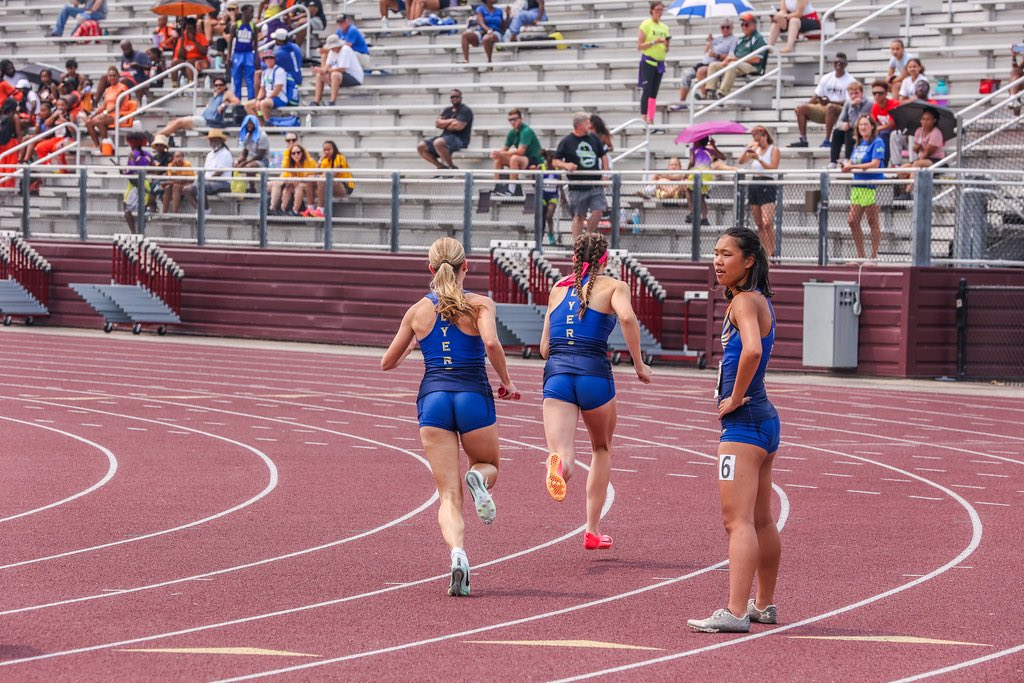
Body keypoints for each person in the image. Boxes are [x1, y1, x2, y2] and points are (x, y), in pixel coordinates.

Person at [381, 237, 517, 597]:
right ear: (465, 266)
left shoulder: (417, 312)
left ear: (430, 269)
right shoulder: (479, 304)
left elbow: (386, 362)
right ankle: (478, 478)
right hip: (473, 394)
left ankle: (458, 556)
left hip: (434, 399)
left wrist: (414, 344)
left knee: (447, 496)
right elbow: (490, 344)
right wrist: (506, 381)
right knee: (488, 465)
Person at [687, 226, 780, 635]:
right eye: (715, 253)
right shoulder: (759, 301)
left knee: (736, 522)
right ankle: (763, 605)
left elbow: (754, 351)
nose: (718, 261)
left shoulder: (743, 301)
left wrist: (736, 396)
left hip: (744, 425)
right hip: (765, 422)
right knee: (762, 520)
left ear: (749, 262)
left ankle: (735, 612)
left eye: (727, 254)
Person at [540, 232, 652, 550]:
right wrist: (639, 364)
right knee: (601, 449)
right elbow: (628, 318)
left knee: (563, 453)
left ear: (574, 259)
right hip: (594, 374)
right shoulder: (614, 287)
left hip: (558, 374)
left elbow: (545, 348)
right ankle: (591, 530)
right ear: (605, 260)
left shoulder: (558, 288)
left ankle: (559, 467)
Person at [553, 112, 609, 240]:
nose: (590, 125)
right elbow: (555, 161)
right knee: (579, 216)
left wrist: (605, 174)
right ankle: (577, 245)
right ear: (580, 124)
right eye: (587, 122)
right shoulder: (567, 141)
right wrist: (566, 165)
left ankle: (587, 236)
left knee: (598, 211)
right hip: (577, 186)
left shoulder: (594, 138)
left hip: (595, 184)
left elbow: (603, 155)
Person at [842, 114, 886, 260]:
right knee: (852, 220)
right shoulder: (859, 144)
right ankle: (861, 254)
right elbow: (856, 164)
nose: (863, 127)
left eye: (866, 124)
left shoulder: (878, 142)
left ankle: (873, 256)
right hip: (859, 186)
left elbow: (875, 164)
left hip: (873, 186)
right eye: (860, 124)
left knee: (872, 221)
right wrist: (848, 166)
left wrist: (852, 166)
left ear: (872, 126)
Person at [791, 53, 855, 148]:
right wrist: (805, 106)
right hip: (824, 106)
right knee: (801, 108)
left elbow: (849, 103)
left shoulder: (850, 80)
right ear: (833, 63)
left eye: (841, 63)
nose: (838, 65)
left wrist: (830, 102)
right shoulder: (826, 77)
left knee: (830, 107)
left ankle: (827, 139)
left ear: (846, 64)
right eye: (836, 62)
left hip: (841, 110)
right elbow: (817, 95)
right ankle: (803, 139)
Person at [672, 19, 738, 108]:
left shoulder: (733, 40)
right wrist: (709, 43)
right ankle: (682, 102)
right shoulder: (717, 39)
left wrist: (717, 55)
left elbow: (731, 56)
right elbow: (706, 52)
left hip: (717, 64)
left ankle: (704, 98)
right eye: (723, 27)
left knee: (701, 71)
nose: (725, 29)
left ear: (732, 28)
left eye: (727, 27)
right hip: (705, 62)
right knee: (686, 73)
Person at [738, 126, 781, 258]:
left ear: (765, 136)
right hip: (755, 183)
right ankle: (765, 253)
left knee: (767, 221)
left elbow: (773, 167)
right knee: (759, 223)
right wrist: (747, 149)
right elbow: (740, 161)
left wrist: (759, 159)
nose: (758, 141)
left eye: (759, 138)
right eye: (755, 138)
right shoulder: (755, 148)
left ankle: (772, 251)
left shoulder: (773, 150)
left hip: (767, 183)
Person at [704, 13, 768, 100]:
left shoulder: (758, 39)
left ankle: (722, 93)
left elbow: (757, 59)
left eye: (746, 24)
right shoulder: (741, 40)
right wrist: (726, 60)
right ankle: (710, 92)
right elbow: (732, 54)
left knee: (732, 64)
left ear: (754, 25)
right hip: (738, 64)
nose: (744, 27)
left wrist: (735, 59)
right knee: (713, 65)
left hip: (753, 67)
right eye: (742, 25)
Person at [895, 106, 945, 198]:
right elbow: (916, 150)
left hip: (936, 160)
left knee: (916, 164)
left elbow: (927, 153)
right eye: (923, 119)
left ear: (934, 120)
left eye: (928, 119)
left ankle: (908, 192)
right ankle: (899, 193)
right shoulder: (919, 131)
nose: (924, 122)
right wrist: (916, 148)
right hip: (921, 159)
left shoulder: (936, 133)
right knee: (903, 168)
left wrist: (920, 147)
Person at [490, 108, 542, 196]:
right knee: (498, 159)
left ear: (520, 119)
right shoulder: (512, 133)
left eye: (515, 119)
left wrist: (501, 153)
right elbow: (504, 149)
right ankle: (497, 187)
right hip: (523, 160)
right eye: (510, 120)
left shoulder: (526, 131)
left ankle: (511, 190)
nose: (513, 122)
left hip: (534, 160)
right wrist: (496, 154)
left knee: (514, 158)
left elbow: (520, 152)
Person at [418, 89, 473, 171]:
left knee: (438, 142)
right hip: (445, 137)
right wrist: (451, 121)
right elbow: (437, 123)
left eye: (457, 96)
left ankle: (451, 167)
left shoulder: (465, 110)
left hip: (460, 139)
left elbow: (457, 127)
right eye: (452, 97)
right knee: (421, 146)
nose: (454, 98)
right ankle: (441, 166)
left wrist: (444, 124)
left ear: (461, 98)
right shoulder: (447, 110)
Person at [184, 129, 234, 214]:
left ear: (220, 140)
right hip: (208, 181)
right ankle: (200, 210)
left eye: (214, 139)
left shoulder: (226, 153)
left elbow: (220, 172)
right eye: (211, 139)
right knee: (185, 189)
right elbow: (205, 170)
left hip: (222, 182)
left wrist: (206, 179)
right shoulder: (210, 154)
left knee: (201, 185)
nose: (211, 141)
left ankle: (206, 209)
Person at [637, 1, 670, 124]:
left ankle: (651, 119)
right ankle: (644, 119)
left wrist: (666, 45)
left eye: (661, 10)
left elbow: (666, 48)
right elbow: (639, 46)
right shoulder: (646, 24)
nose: (659, 12)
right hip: (648, 61)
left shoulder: (665, 27)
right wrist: (654, 42)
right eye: (657, 10)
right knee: (647, 90)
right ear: (651, 10)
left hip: (659, 63)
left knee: (654, 93)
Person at [304, 140, 355, 218]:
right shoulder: (324, 160)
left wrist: (321, 176)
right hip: (329, 185)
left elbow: (335, 173)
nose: (326, 152)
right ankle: (310, 208)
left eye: (329, 149)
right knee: (309, 179)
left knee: (322, 180)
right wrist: (320, 160)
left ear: (333, 149)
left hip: (344, 186)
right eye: (325, 150)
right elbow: (315, 173)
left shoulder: (339, 156)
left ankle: (320, 210)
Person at [311, 34, 364, 106]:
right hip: (342, 76)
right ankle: (316, 101)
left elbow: (341, 69)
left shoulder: (345, 50)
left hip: (354, 77)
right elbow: (327, 67)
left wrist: (326, 70)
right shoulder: (332, 51)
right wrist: (319, 70)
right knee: (319, 75)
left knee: (335, 74)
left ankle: (332, 101)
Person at [829, 80, 871, 167]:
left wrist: (854, 107)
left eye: (856, 93)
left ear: (862, 93)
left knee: (850, 130)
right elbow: (839, 122)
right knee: (837, 131)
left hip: (863, 131)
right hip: (852, 129)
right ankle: (833, 161)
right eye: (851, 94)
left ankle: (848, 159)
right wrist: (842, 125)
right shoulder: (848, 102)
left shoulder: (868, 104)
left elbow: (858, 122)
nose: (854, 96)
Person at [684, 136, 725, 223]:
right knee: (701, 196)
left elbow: (691, 162)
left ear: (697, 141)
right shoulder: (710, 150)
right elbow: (723, 157)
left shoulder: (693, 149)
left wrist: (686, 173)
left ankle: (692, 212)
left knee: (688, 190)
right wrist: (714, 147)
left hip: (697, 174)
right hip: (707, 176)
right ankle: (704, 218)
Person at [85, 75, 132, 148]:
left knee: (99, 121)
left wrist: (105, 113)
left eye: (113, 75)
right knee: (88, 122)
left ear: (117, 76)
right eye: (110, 76)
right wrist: (93, 114)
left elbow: (117, 105)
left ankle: (105, 145)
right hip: (107, 114)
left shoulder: (122, 88)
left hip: (118, 114)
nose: (112, 77)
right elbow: (103, 106)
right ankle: (97, 145)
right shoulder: (108, 89)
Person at [269, 143, 316, 215]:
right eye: (293, 153)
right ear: (290, 155)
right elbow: (285, 177)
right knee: (287, 186)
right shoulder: (290, 164)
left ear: (302, 153)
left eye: (298, 152)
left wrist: (299, 179)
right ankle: (282, 209)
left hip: (309, 186)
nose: (296, 155)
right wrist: (289, 180)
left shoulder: (310, 162)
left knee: (299, 187)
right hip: (295, 186)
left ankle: (295, 210)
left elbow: (311, 177)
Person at [247, 50, 296, 119]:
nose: (269, 60)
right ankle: (260, 125)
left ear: (274, 59)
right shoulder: (264, 72)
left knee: (263, 103)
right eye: (266, 58)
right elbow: (262, 89)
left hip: (280, 98)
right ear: (264, 60)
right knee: (248, 105)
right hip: (268, 98)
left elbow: (278, 89)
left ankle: (268, 124)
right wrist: (258, 99)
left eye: (271, 58)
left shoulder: (280, 71)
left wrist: (266, 98)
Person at [121, 131, 153, 234]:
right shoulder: (148, 154)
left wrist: (124, 171)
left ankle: (134, 233)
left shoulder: (133, 154)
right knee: (141, 209)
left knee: (128, 210)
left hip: (136, 184)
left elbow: (131, 170)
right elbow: (151, 166)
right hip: (144, 183)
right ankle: (140, 233)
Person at [227, 4, 258, 101]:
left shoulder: (254, 27)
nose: (252, 14)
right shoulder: (236, 26)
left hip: (249, 54)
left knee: (250, 79)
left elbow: (255, 45)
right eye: (251, 11)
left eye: (253, 11)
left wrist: (256, 57)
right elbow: (230, 42)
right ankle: (237, 101)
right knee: (237, 79)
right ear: (244, 12)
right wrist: (228, 57)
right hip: (238, 54)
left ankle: (251, 100)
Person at [869, 79, 899, 165]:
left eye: (880, 93)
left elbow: (891, 124)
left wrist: (877, 129)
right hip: (885, 132)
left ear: (886, 94)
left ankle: (884, 162)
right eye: (874, 93)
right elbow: (873, 123)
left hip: (898, 131)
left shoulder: (894, 104)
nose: (877, 95)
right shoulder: (875, 106)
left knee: (883, 134)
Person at [161, 150, 194, 214]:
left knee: (175, 186)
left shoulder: (187, 164)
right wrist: (168, 183)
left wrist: (166, 183)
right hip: (175, 183)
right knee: (167, 188)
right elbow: (170, 178)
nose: (179, 158)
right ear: (173, 158)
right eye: (176, 157)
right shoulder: (170, 165)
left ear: (183, 157)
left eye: (180, 156)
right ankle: (164, 213)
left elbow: (182, 180)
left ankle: (175, 213)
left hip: (188, 182)